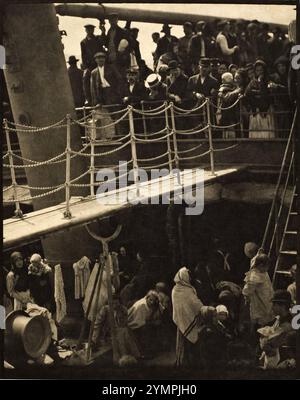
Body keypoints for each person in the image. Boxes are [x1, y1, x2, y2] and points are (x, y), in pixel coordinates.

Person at [172, 266, 216, 367]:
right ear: (184, 277)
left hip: (184, 319)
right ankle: (185, 363)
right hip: (185, 319)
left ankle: (185, 362)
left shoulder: (177, 289)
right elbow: (195, 304)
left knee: (185, 342)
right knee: (187, 343)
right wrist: (206, 308)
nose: (190, 279)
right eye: (189, 277)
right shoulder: (184, 291)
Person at [91, 294, 141, 362]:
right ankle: (127, 356)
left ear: (119, 303)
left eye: (116, 303)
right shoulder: (105, 309)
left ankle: (130, 356)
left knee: (124, 331)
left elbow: (123, 324)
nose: (114, 305)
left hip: (120, 330)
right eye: (112, 303)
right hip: (108, 332)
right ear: (109, 303)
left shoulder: (123, 309)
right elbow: (97, 324)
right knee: (123, 332)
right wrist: (94, 338)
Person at [258, 290, 296, 369]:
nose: (272, 308)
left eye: (274, 304)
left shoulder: (288, 324)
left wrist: (264, 339)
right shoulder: (278, 319)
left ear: (282, 306)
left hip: (281, 363)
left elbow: (269, 342)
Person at [242, 249, 274, 331]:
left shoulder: (262, 271)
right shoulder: (255, 275)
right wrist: (247, 296)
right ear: (260, 265)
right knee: (261, 316)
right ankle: (257, 334)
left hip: (266, 294)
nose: (267, 269)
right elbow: (248, 289)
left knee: (268, 311)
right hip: (259, 299)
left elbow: (253, 261)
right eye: (266, 267)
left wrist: (258, 254)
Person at [245, 59, 275, 138]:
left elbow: (265, 94)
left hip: (265, 110)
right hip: (255, 110)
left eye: (261, 70)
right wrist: (256, 92)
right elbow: (247, 93)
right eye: (257, 70)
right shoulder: (252, 82)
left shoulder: (268, 80)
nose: (260, 72)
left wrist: (260, 82)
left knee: (266, 132)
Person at [128, 290, 162, 357]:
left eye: (154, 300)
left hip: (143, 323)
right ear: (147, 298)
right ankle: (145, 352)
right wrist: (153, 322)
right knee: (146, 329)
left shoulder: (153, 304)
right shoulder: (142, 305)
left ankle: (153, 349)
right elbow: (139, 323)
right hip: (132, 325)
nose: (152, 302)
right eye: (150, 300)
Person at [80, 24, 106, 105]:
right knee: (86, 78)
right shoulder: (83, 42)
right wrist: (85, 65)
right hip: (89, 65)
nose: (90, 31)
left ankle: (103, 98)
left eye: (91, 29)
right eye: (88, 29)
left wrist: (103, 31)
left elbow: (103, 41)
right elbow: (83, 55)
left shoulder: (98, 39)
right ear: (86, 30)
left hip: (99, 63)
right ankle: (88, 99)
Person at [106, 12, 131, 78]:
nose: (113, 22)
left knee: (121, 79)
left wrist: (123, 54)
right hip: (111, 60)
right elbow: (106, 43)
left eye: (114, 20)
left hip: (119, 61)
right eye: (111, 20)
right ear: (109, 21)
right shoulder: (109, 31)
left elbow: (130, 44)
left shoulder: (122, 31)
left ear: (117, 20)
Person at [216, 72, 239, 138]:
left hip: (228, 111)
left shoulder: (224, 89)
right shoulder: (229, 89)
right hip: (225, 111)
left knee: (228, 127)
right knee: (228, 127)